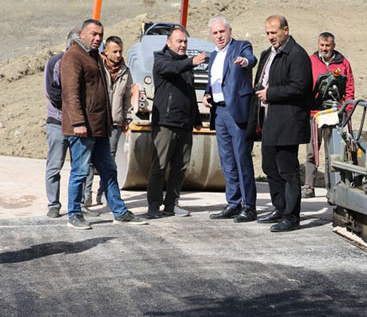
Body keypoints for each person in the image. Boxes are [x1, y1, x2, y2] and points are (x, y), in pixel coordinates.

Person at [61, 19, 146, 229]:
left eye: (100, 34)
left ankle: (119, 211)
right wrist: (78, 122)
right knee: (80, 171)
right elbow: (71, 93)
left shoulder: (94, 57)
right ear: (82, 34)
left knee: (109, 169)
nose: (97, 38)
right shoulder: (73, 56)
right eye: (93, 34)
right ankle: (74, 213)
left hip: (99, 127)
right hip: (82, 127)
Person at [251, 15, 313, 233]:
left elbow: (300, 87)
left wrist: (271, 92)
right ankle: (279, 208)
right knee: (270, 167)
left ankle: (291, 216)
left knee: (287, 170)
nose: (270, 37)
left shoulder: (297, 55)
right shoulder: (268, 54)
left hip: (288, 123)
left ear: (286, 30)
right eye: (267, 33)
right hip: (269, 120)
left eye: (274, 32)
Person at [203, 16, 258, 222]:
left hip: (237, 112)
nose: (219, 36)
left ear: (229, 31)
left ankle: (249, 206)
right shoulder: (213, 56)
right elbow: (214, 83)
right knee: (227, 161)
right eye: (215, 33)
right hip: (219, 113)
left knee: (242, 158)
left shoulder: (241, 47)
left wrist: (245, 61)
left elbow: (250, 59)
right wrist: (208, 94)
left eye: (222, 32)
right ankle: (233, 203)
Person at [147, 26, 206, 219]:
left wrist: (196, 119)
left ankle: (171, 204)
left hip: (184, 124)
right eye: (179, 41)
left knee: (180, 167)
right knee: (160, 166)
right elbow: (173, 69)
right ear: (168, 42)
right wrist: (191, 61)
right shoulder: (161, 60)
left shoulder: (185, 64)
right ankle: (154, 206)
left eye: (185, 42)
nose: (182, 45)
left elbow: (189, 92)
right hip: (165, 122)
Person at [304, 32, 354, 198]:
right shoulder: (310, 61)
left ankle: (330, 187)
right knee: (311, 152)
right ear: (318, 44)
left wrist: (347, 111)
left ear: (333, 46)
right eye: (322, 45)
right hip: (314, 114)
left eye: (327, 46)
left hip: (334, 114)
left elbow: (349, 89)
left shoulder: (343, 63)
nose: (324, 49)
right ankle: (308, 186)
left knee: (331, 153)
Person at [44, 29, 87, 218]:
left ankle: (80, 204)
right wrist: (74, 105)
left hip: (79, 123)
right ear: (71, 45)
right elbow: (52, 94)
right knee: (54, 166)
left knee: (82, 166)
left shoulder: (86, 63)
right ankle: (53, 204)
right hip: (58, 122)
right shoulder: (55, 62)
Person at [86, 36, 133, 206]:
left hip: (115, 122)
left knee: (109, 160)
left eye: (120, 51)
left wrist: (127, 117)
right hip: (97, 121)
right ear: (106, 51)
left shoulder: (125, 71)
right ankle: (87, 195)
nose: (119, 54)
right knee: (90, 159)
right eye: (115, 51)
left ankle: (104, 193)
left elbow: (127, 96)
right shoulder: (98, 67)